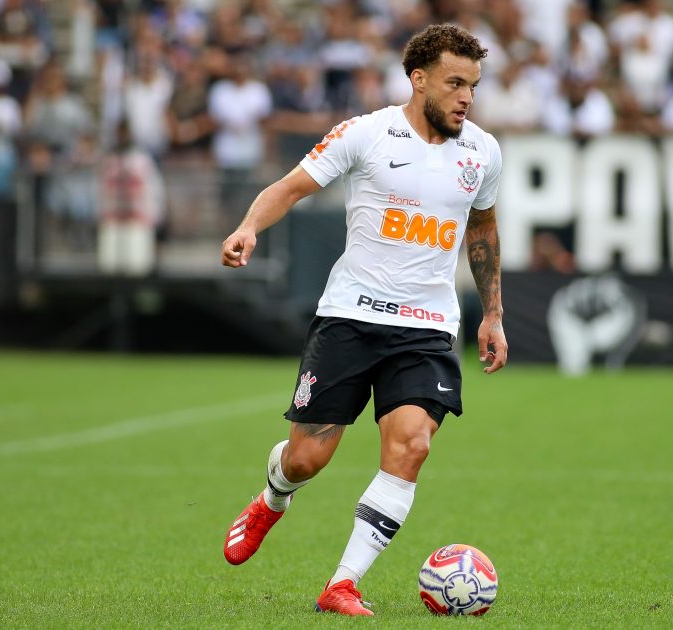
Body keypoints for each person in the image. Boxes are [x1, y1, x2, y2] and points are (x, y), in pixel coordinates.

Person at [218, 24, 507, 617]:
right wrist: (249, 226)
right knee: (307, 459)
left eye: (473, 86)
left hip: (426, 328)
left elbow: (482, 228)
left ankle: (342, 583)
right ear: (418, 78)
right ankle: (272, 498)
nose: (465, 97)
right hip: (350, 318)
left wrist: (494, 313)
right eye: (455, 83)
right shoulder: (367, 133)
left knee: (412, 446)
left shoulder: (482, 151)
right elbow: (292, 187)